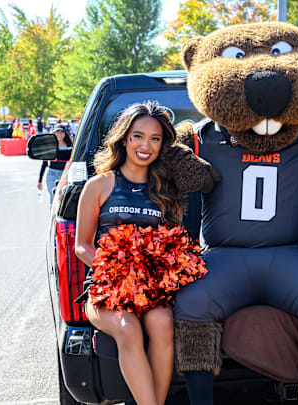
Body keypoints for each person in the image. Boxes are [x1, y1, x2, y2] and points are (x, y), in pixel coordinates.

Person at [75, 102, 183, 405]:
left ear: (163, 144)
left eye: (155, 138)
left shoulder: (166, 190)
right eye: (138, 136)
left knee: (162, 324)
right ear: (124, 138)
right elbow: (82, 244)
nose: (145, 145)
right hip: (106, 287)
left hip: (151, 290)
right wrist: (119, 271)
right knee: (128, 327)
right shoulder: (99, 184)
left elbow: (173, 245)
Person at [37, 125, 72, 205]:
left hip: (65, 175)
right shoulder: (50, 146)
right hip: (52, 174)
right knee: (53, 199)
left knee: (64, 199)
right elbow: (44, 163)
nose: (59, 134)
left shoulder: (70, 146)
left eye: (61, 132)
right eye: (57, 132)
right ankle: (53, 216)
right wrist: (40, 180)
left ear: (65, 134)